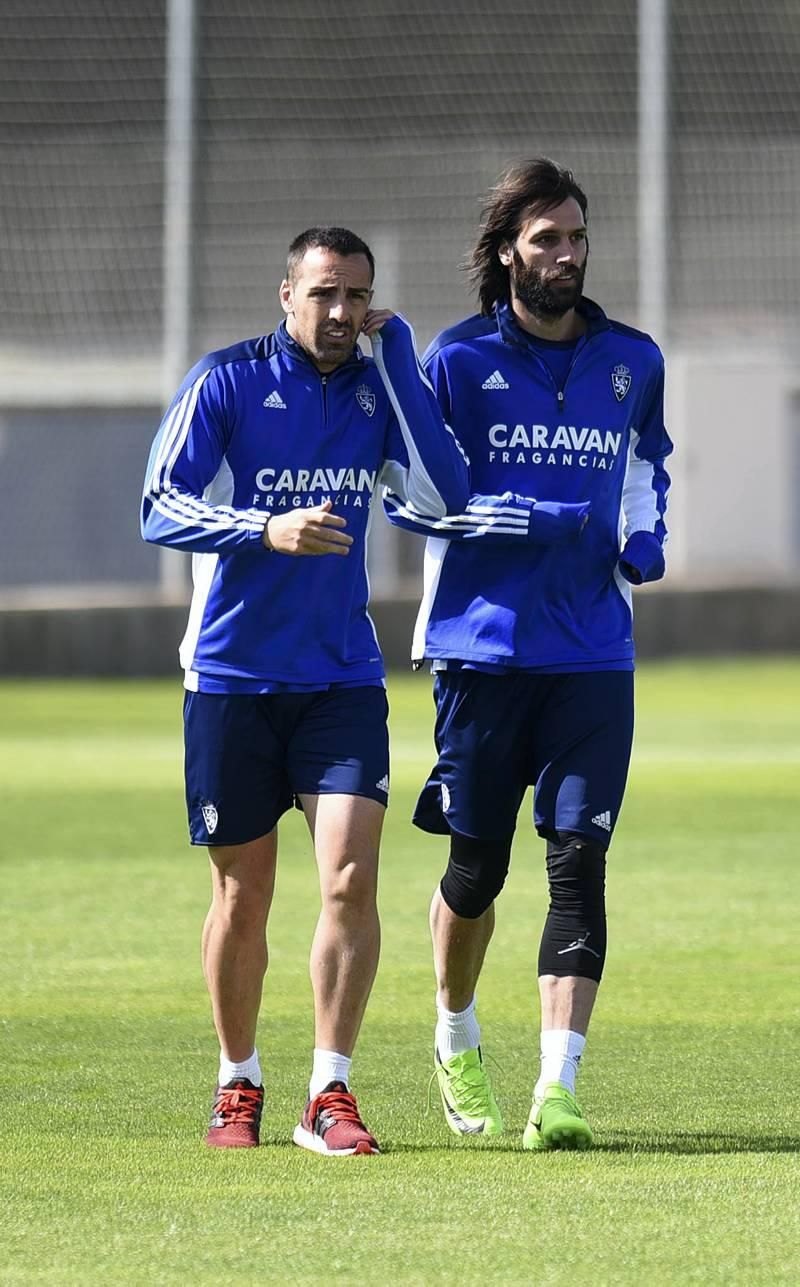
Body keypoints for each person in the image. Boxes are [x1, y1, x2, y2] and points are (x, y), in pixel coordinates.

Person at [141, 226, 469, 1155]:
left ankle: (330, 1093)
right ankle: (237, 1082)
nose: (341, 313)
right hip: (232, 677)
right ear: (286, 293)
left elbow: (446, 496)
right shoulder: (227, 379)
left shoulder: (376, 387)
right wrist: (262, 528)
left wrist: (402, 363)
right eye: (324, 293)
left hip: (340, 679)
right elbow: (160, 502)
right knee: (244, 895)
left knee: (352, 878)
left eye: (358, 297)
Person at [384, 159, 672, 1150]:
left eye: (575, 237)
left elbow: (642, 468)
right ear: (507, 248)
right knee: (476, 870)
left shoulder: (632, 359)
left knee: (577, 862)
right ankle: (454, 1031)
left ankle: (558, 1091)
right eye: (544, 237)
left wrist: (643, 540)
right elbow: (409, 489)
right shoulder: (458, 362)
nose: (563, 254)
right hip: (480, 648)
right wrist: (497, 517)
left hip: (592, 652)